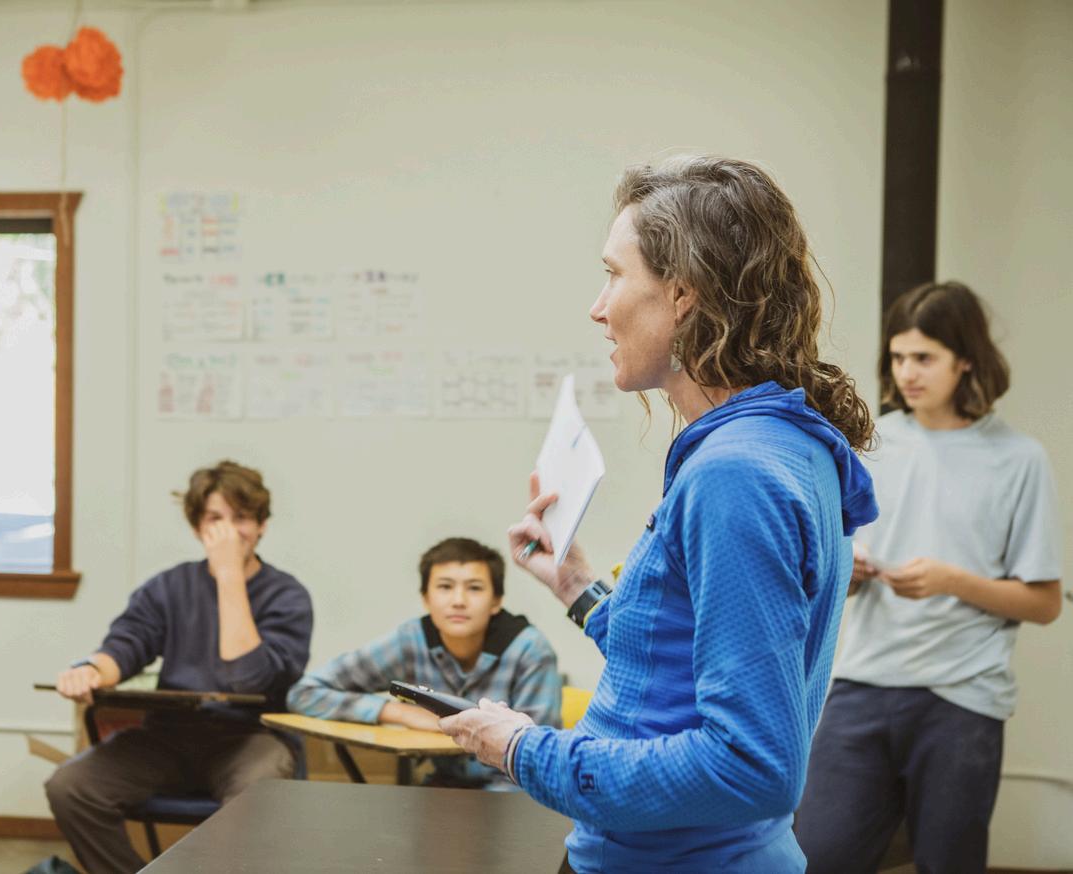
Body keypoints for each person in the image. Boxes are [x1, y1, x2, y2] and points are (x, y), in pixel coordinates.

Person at [438, 155, 879, 873]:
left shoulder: (735, 473)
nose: (597, 306)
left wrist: (523, 749)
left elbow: (750, 766)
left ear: (682, 294)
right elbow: (676, 662)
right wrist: (577, 587)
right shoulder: (781, 442)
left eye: (614, 274)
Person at [794, 281, 1062, 873]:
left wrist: (951, 581)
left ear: (965, 359)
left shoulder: (1019, 460)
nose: (907, 373)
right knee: (815, 859)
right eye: (897, 357)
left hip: (963, 699)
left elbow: (1045, 603)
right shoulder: (872, 444)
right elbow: (828, 569)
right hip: (862, 685)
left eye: (924, 358)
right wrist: (849, 571)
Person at [44, 460, 313, 874]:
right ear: (197, 527)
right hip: (168, 736)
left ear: (261, 525)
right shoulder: (169, 586)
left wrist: (228, 576)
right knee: (70, 787)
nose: (228, 532)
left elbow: (249, 676)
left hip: (249, 738)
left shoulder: (288, 596)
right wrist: (90, 669)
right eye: (215, 519)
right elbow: (126, 644)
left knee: (258, 794)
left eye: (241, 518)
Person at [287, 536, 561, 788]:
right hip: (441, 789)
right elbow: (304, 693)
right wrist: (398, 713)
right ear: (426, 599)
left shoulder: (530, 650)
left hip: (515, 793)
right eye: (445, 587)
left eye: (475, 588)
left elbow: (538, 761)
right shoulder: (410, 640)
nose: (458, 601)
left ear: (496, 601)